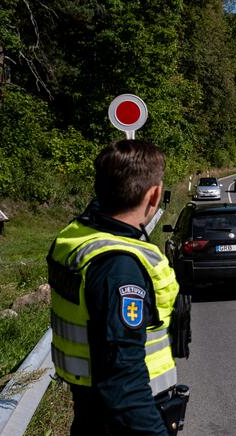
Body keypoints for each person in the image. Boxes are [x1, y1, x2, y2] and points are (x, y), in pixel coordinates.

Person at [47, 140, 187, 434]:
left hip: (91, 411)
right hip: (122, 424)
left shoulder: (83, 236)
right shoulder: (119, 268)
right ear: (155, 194)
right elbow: (123, 383)